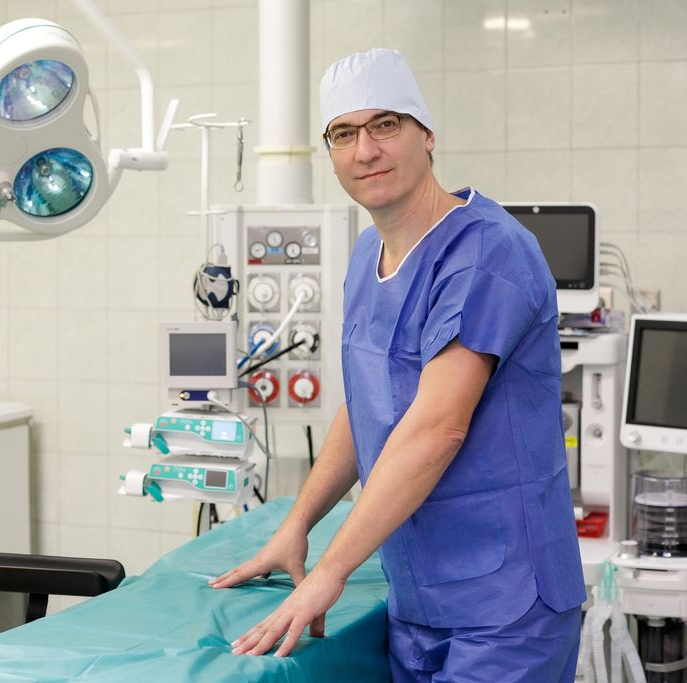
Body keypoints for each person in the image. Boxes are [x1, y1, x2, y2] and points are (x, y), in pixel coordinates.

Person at [209, 48, 586, 682]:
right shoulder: (368, 256)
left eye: (385, 125)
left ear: (427, 134)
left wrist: (331, 571)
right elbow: (368, 405)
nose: (366, 150)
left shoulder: (488, 252)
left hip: (507, 607)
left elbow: (437, 428)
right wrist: (298, 526)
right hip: (416, 598)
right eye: (344, 134)